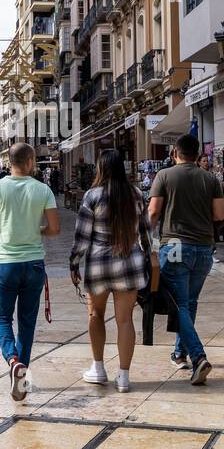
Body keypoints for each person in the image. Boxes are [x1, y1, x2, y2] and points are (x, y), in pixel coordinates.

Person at [0, 142, 60, 401]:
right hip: (34, 264)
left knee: (1, 318)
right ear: (30, 161)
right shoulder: (43, 189)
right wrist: (38, 231)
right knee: (26, 323)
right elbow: (55, 229)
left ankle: (13, 362)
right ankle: (21, 378)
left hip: (5, 264)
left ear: (9, 162)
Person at [70, 149, 155, 394]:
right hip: (129, 263)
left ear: (101, 168)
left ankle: (98, 368)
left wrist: (74, 263)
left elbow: (82, 237)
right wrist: (149, 255)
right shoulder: (136, 195)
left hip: (98, 264)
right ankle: (124, 376)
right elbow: (146, 232)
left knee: (95, 315)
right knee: (125, 319)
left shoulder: (92, 196)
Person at [148, 134, 224, 385]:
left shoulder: (165, 176)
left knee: (177, 304)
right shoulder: (211, 179)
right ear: (197, 153)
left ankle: (198, 356)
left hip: (177, 245)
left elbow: (154, 212)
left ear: (174, 153)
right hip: (204, 248)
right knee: (189, 302)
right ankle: (180, 353)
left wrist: (144, 239)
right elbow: (219, 214)